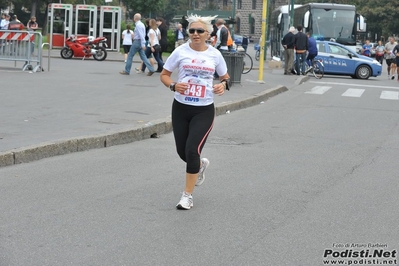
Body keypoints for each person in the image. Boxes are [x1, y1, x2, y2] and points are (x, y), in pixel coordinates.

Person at [160, 14, 230, 210]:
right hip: (181, 107)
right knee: (182, 152)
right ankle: (199, 166)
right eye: (192, 31)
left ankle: (187, 196)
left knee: (192, 150)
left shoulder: (215, 55)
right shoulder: (180, 52)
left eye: (200, 31)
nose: (195, 34)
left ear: (208, 34)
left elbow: (226, 78)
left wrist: (222, 85)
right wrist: (173, 85)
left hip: (204, 110)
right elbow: (164, 75)